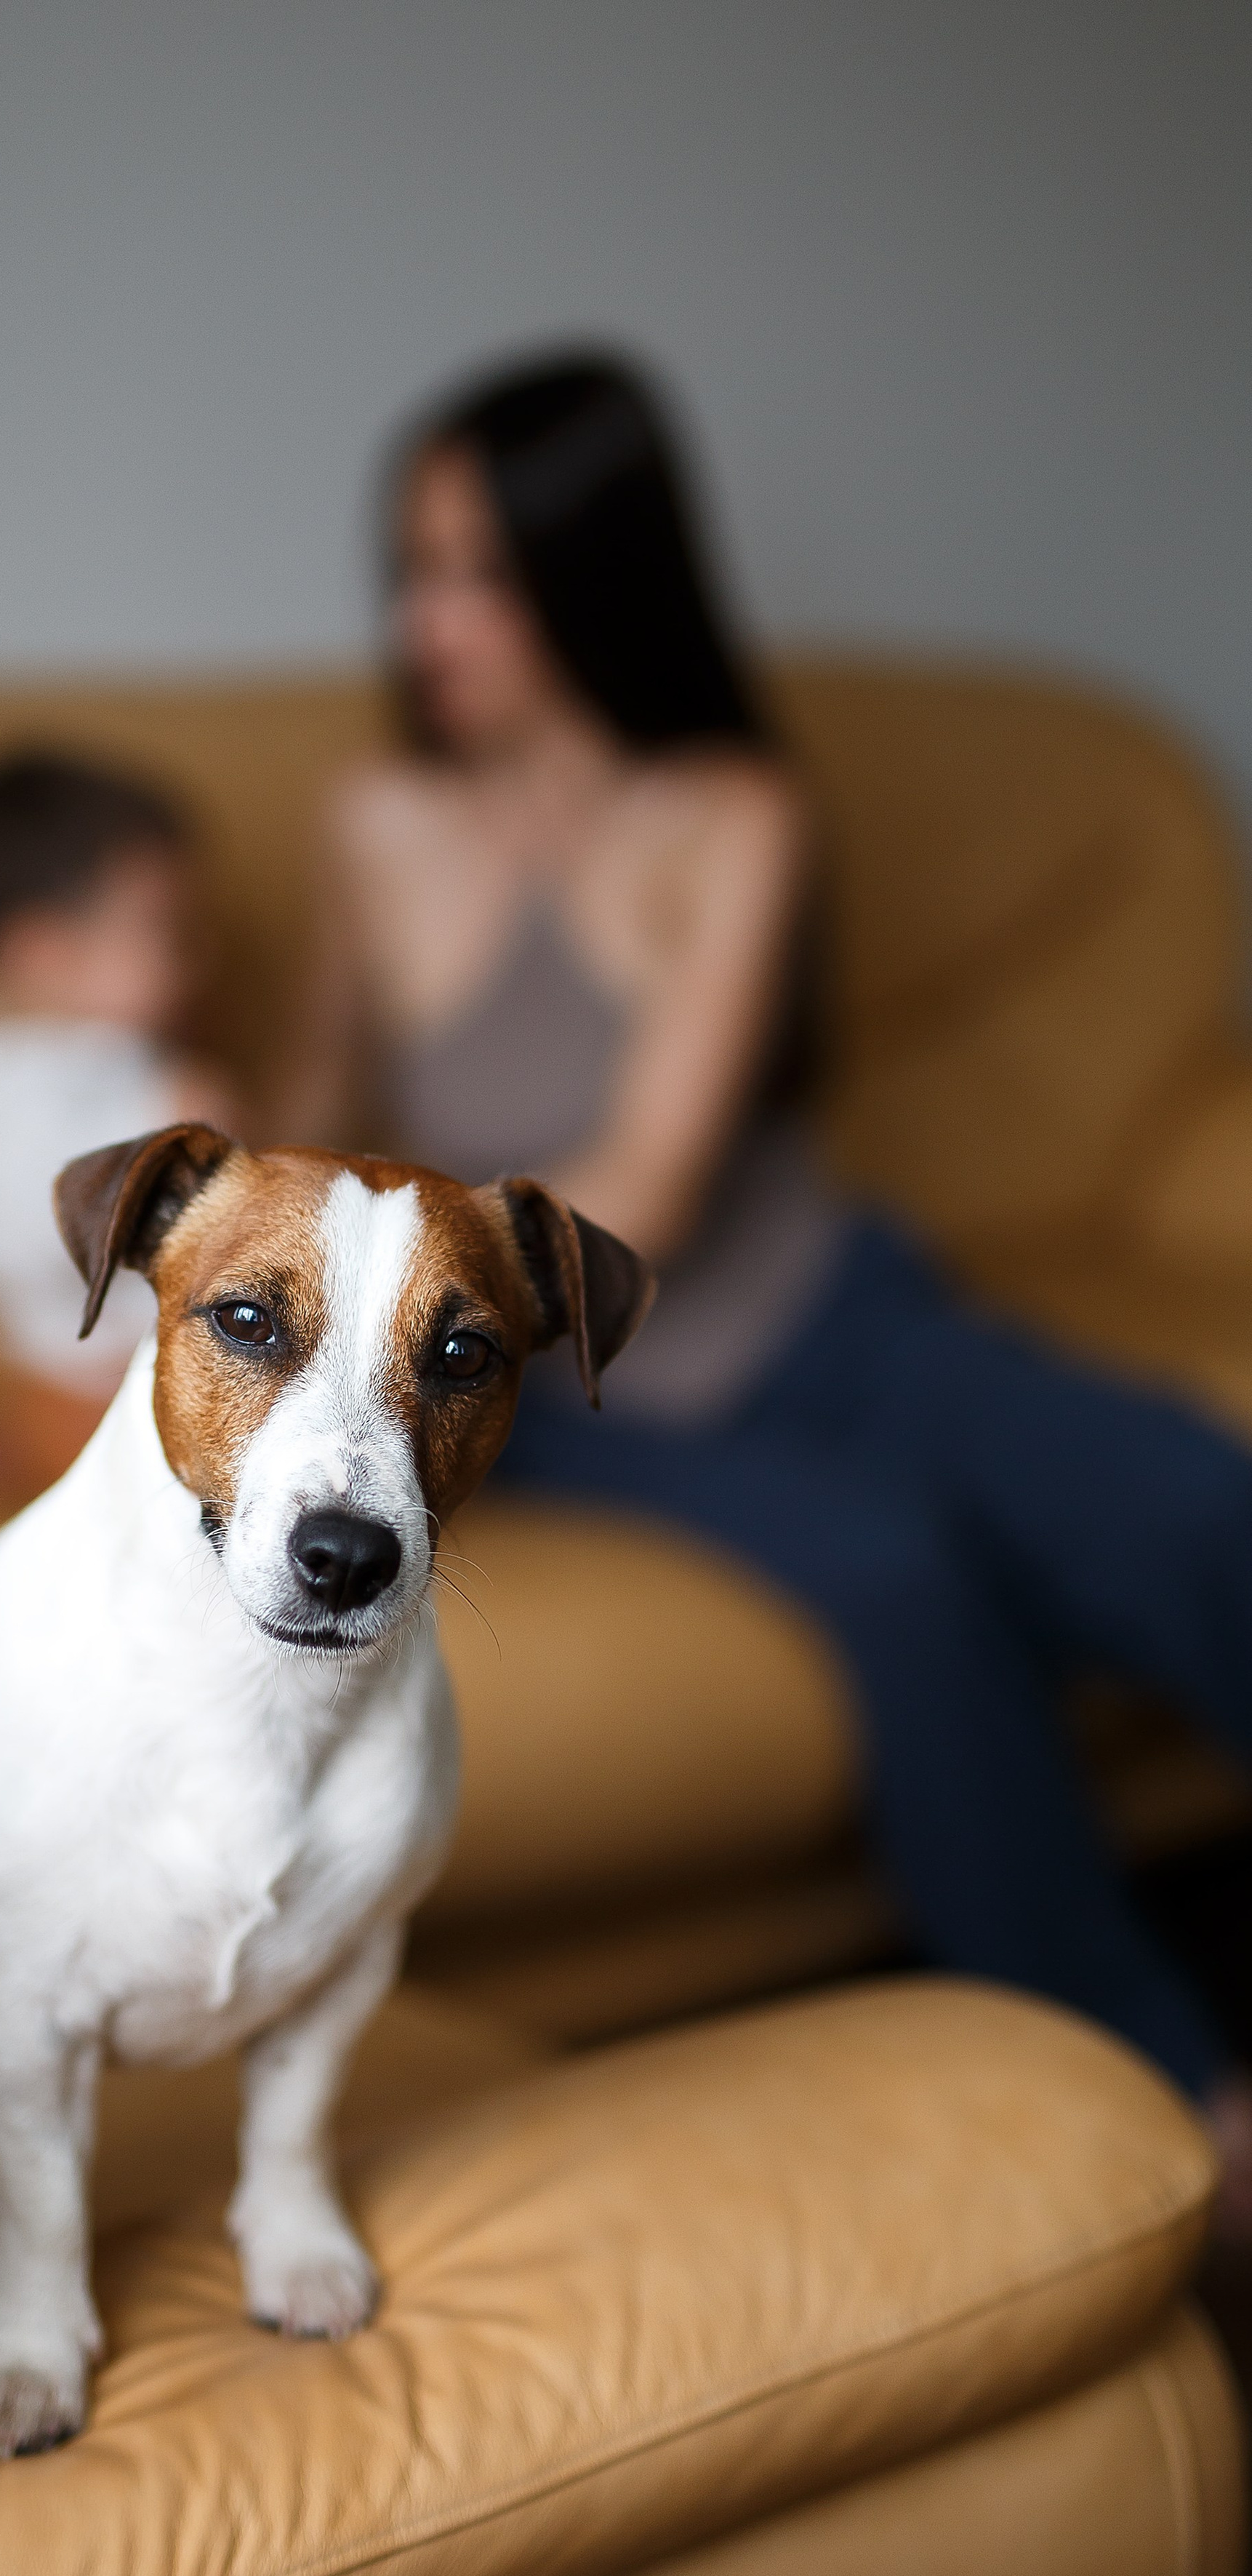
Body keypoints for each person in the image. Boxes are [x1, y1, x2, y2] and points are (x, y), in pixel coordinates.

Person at [306, 345, 1252, 2218]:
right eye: (411, 569)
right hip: (577, 1382)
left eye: (476, 573)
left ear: (596, 571)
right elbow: (309, 1132)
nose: (427, 622)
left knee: (1177, 1489)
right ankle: (1191, 2123)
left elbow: (648, 1181)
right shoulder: (370, 828)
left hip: (826, 1311)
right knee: (904, 1581)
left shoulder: (733, 809)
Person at [0, 747, 238, 1497]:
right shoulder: (1, 1071)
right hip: (78, 1379)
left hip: (144, 1368)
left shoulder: (121, 1055)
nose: (196, 961)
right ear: (42, 952)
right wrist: (169, 1130)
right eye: (164, 932)